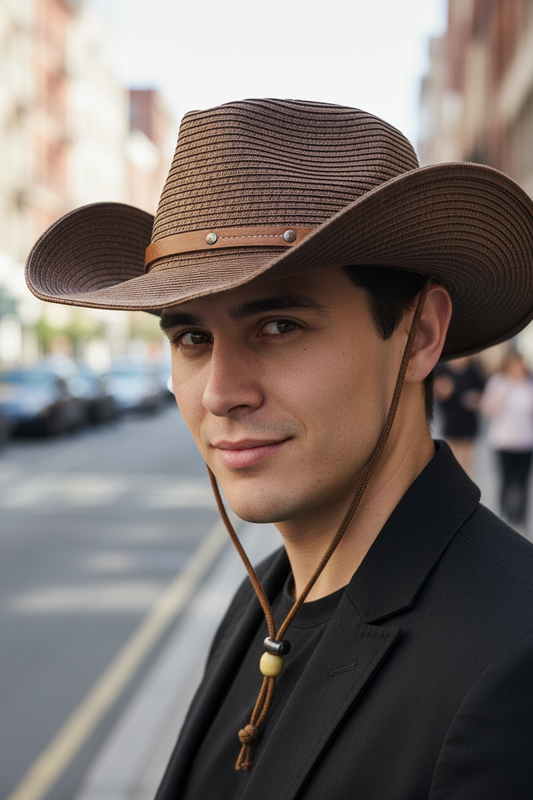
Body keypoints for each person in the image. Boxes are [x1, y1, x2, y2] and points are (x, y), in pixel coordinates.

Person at [25, 99, 533, 799]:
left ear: (417, 335)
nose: (220, 393)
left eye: (277, 326)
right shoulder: (265, 598)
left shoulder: (509, 661)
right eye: (191, 338)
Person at [481, 351, 533, 531]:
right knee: (506, 480)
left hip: (526, 441)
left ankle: (520, 519)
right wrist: (501, 396)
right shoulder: (498, 382)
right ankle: (504, 517)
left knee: (522, 482)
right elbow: (487, 409)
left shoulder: (529, 384)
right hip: (503, 441)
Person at [434, 356, 485, 475]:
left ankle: (466, 490)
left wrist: (476, 399)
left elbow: (482, 393)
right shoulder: (442, 369)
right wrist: (442, 390)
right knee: (451, 462)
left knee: (467, 464)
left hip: (468, 420)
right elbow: (436, 392)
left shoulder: (473, 370)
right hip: (451, 420)